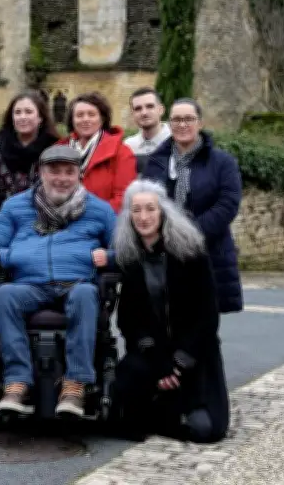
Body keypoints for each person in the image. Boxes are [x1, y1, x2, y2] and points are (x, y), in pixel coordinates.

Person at [0, 145, 115, 417]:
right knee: (5, 295)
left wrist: (109, 257)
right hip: (30, 285)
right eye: (54, 171)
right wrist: (17, 255)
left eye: (69, 172)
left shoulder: (99, 210)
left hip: (76, 283)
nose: (61, 178)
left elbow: (125, 251)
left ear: (80, 174)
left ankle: (75, 385)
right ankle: (17, 382)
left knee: (86, 295)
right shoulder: (15, 206)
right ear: (41, 173)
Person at [109, 179, 230, 443]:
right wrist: (159, 362)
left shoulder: (191, 251)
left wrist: (179, 363)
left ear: (163, 211)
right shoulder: (129, 256)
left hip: (194, 352)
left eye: (150, 209)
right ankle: (156, 409)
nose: (143, 217)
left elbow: (208, 315)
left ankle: (169, 410)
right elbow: (129, 320)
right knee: (127, 413)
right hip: (152, 355)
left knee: (205, 431)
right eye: (136, 210)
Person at [142, 98, 243, 314]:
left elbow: (228, 204)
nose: (182, 125)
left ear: (200, 123)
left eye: (189, 119)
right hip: (165, 252)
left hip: (207, 251)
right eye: (176, 119)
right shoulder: (156, 162)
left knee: (203, 328)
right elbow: (146, 202)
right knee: (166, 322)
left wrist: (189, 233)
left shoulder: (223, 162)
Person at [58, 91, 137, 212]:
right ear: (72, 120)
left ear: (102, 118)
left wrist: (89, 218)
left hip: (104, 223)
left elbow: (123, 197)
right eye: (79, 115)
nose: (85, 119)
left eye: (91, 114)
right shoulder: (58, 150)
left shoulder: (121, 152)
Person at [123, 87, 172, 173]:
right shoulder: (128, 146)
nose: (144, 113)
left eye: (150, 106)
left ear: (161, 110)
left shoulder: (178, 141)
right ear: (132, 114)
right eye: (138, 109)